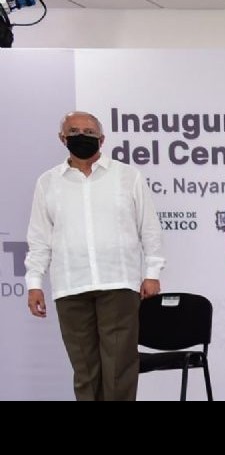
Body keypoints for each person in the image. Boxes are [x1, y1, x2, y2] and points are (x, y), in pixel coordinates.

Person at [24, 111, 165, 401]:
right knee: (84, 370)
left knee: (119, 368)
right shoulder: (48, 182)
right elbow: (39, 237)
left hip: (118, 283)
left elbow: (149, 227)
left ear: (102, 139)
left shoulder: (127, 176)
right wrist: (34, 282)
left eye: (89, 132)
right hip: (71, 286)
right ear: (62, 138)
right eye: (73, 131)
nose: (81, 136)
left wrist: (152, 273)